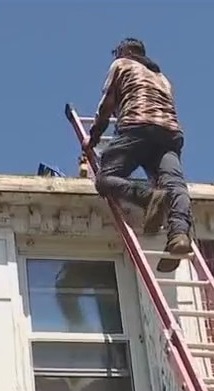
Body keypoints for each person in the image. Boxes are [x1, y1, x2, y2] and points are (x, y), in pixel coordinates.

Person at [82, 38, 194, 273]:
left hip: (137, 127)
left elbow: (107, 105)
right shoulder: (162, 78)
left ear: (127, 51)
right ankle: (179, 235)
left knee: (105, 179)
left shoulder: (123, 64)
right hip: (170, 134)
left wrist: (92, 138)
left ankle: (148, 197)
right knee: (175, 185)